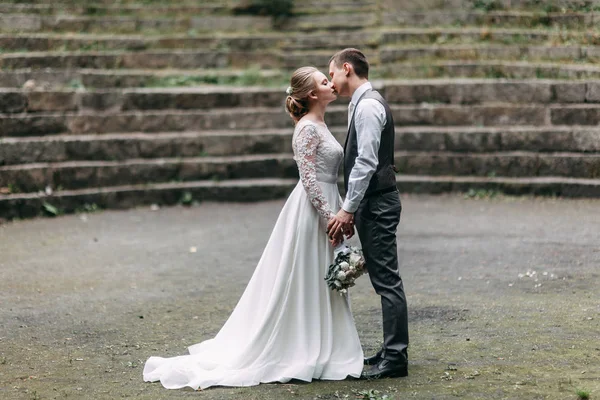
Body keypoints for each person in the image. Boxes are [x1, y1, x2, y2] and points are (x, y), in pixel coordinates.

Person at [142, 66, 363, 390]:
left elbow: (325, 175)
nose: (331, 83)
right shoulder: (306, 129)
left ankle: (326, 342)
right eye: (323, 81)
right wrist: (330, 215)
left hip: (328, 205)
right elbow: (309, 179)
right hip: (311, 210)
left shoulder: (321, 123)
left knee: (320, 276)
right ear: (313, 94)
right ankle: (297, 344)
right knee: (302, 276)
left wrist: (340, 208)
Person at [327, 48, 409, 379]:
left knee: (387, 281)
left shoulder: (369, 106)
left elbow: (366, 161)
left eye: (331, 72)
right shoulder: (360, 104)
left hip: (376, 203)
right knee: (383, 279)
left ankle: (396, 358)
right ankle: (391, 351)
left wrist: (348, 208)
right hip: (373, 202)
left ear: (346, 69)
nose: (330, 80)